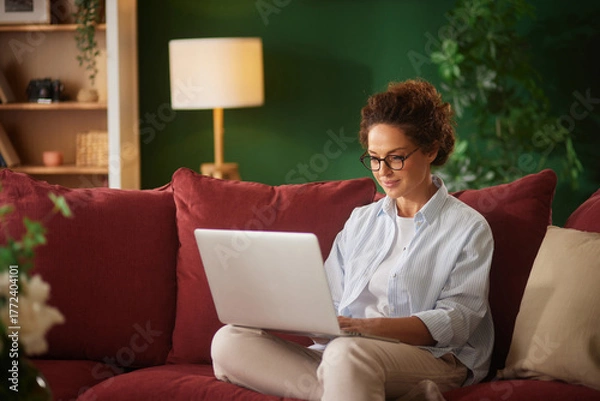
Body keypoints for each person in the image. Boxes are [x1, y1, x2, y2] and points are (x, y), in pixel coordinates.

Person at [211, 79, 494, 401]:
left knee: (347, 354)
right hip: (341, 353)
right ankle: (353, 390)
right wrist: (305, 317)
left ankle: (351, 384)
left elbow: (457, 321)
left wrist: (365, 328)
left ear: (430, 149)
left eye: (396, 157)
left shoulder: (468, 227)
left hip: (431, 359)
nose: (383, 171)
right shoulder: (361, 221)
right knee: (230, 341)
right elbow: (332, 302)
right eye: (374, 158)